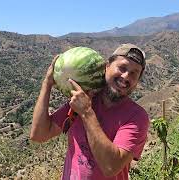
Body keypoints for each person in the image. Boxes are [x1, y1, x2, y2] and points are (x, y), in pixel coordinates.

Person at [30, 43, 149, 180]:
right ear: (107, 66)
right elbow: (39, 135)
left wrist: (86, 112)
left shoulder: (136, 117)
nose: (126, 76)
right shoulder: (85, 97)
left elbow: (111, 167)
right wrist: (47, 83)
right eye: (122, 68)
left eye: (134, 73)